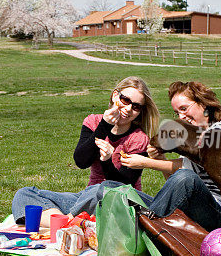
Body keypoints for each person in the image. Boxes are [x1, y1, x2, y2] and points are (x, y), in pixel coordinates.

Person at [11, 76, 160, 226]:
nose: (128, 109)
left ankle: (66, 222)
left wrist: (107, 161)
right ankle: (71, 223)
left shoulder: (139, 139)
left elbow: (123, 186)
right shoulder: (93, 122)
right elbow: (81, 161)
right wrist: (105, 125)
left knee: (102, 189)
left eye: (136, 107)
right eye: (125, 100)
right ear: (115, 95)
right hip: (85, 199)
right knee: (25, 194)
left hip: (118, 204)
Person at [120, 81, 221, 231]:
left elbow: (187, 175)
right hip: (189, 211)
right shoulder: (192, 142)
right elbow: (176, 186)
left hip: (217, 214)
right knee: (113, 188)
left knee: (186, 177)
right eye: (177, 112)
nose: (181, 117)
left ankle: (143, 230)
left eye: (184, 109)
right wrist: (160, 159)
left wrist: (146, 163)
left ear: (203, 104)